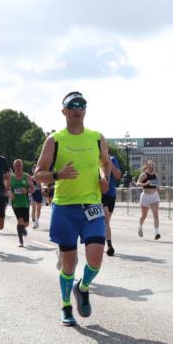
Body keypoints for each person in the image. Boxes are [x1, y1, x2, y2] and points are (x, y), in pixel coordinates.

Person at [34, 91, 113, 326]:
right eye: (72, 105)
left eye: (81, 104)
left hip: (91, 205)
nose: (77, 108)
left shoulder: (97, 137)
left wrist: (103, 176)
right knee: (69, 264)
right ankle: (66, 305)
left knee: (96, 259)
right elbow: (38, 175)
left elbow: (105, 163)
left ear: (85, 110)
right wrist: (58, 174)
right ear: (64, 111)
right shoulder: (55, 140)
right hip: (65, 208)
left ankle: (83, 287)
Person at [101, 153, 123, 256]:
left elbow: (118, 175)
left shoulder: (113, 159)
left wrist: (110, 163)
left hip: (111, 194)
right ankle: (109, 245)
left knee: (106, 222)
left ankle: (103, 239)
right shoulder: (95, 158)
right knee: (105, 219)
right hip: (100, 193)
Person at [10, 159, 34, 247]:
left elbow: (32, 188)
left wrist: (27, 190)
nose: (18, 167)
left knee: (26, 223)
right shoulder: (11, 177)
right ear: (14, 167)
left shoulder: (27, 177)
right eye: (16, 165)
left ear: (22, 166)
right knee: (20, 221)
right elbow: (6, 189)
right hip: (15, 203)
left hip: (25, 203)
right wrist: (10, 194)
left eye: (20, 165)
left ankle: (23, 228)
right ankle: (21, 240)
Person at [136, 160, 161, 240]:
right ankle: (140, 227)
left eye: (153, 165)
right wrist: (145, 184)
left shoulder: (155, 175)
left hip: (154, 196)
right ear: (147, 166)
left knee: (156, 215)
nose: (152, 166)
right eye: (150, 165)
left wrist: (158, 187)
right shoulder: (144, 174)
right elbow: (137, 184)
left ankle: (156, 233)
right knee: (144, 215)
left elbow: (155, 185)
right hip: (145, 197)